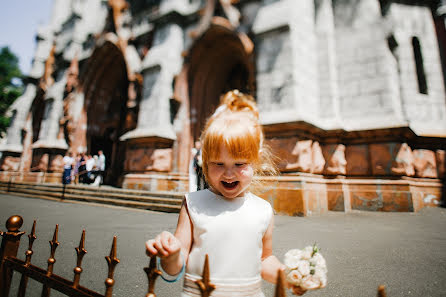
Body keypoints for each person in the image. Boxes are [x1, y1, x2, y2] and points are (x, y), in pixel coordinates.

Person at [145, 90, 306, 296]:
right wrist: (170, 255)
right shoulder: (193, 204)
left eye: (239, 164)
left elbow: (264, 259)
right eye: (218, 164)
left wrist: (287, 275)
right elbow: (177, 263)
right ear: (205, 162)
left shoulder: (263, 210)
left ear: (255, 161)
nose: (229, 173)